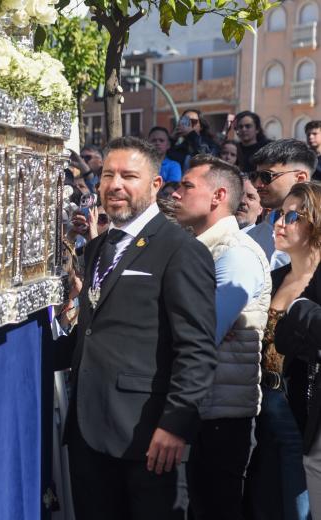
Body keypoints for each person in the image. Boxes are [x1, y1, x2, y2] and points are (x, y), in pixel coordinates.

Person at [56, 136, 218, 520]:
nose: (115, 184)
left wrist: (175, 425)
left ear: (156, 185)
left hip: (148, 437)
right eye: (108, 174)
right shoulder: (98, 249)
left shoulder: (181, 250)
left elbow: (196, 349)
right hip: (88, 433)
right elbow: (91, 331)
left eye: (129, 175)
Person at [171, 155, 270, 520]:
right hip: (201, 409)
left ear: (218, 196)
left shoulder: (235, 253)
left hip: (222, 417)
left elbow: (202, 331)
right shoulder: (198, 249)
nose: (177, 194)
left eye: (187, 186)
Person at [257, 183, 321, 520]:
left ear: (315, 222)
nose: (280, 223)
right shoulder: (274, 276)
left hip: (304, 414)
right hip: (262, 410)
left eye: (292, 216)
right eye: (278, 215)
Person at [247, 139, 315, 269]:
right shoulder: (251, 238)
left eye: (266, 176)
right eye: (254, 176)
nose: (257, 184)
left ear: (300, 179)